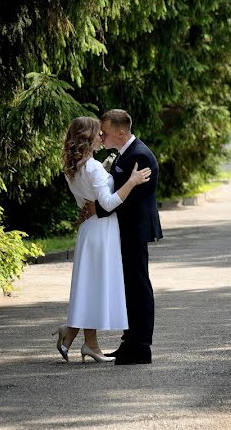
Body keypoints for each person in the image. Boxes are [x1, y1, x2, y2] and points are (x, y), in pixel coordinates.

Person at [54, 116, 152, 363]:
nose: (102, 137)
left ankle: (80, 337)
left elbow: (88, 201)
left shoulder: (74, 167)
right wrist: (131, 181)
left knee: (90, 285)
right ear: (89, 137)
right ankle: (85, 341)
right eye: (98, 133)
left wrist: (95, 204)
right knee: (95, 287)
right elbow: (107, 202)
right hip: (102, 231)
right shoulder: (93, 167)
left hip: (89, 229)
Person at [85, 109, 163, 365]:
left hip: (134, 229)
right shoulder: (126, 153)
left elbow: (129, 199)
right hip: (125, 229)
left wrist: (99, 207)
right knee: (129, 286)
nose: (101, 135)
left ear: (120, 132)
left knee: (138, 286)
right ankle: (129, 341)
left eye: (105, 132)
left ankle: (141, 347)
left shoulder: (139, 155)